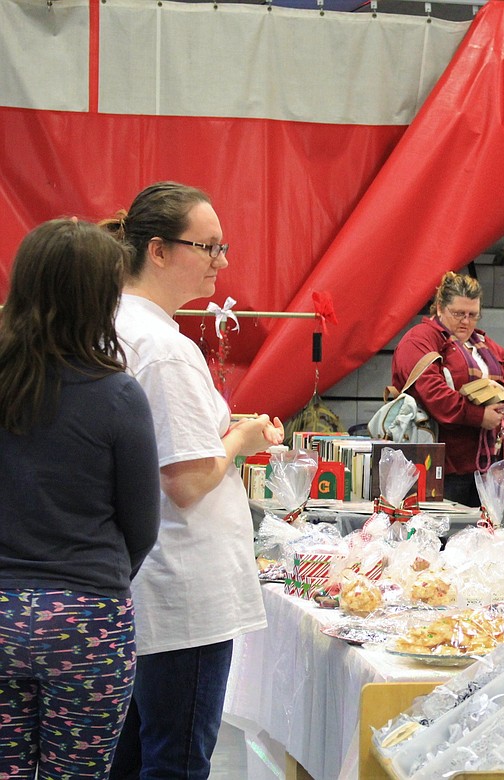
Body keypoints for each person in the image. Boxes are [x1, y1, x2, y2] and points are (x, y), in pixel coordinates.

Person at [104, 182, 285, 779]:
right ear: (156, 250)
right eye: (207, 247)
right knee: (176, 760)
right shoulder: (163, 346)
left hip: (149, 577)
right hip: (183, 583)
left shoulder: (120, 325)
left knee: (135, 755)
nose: (222, 262)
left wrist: (223, 429)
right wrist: (242, 440)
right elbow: (185, 479)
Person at [0, 219, 161, 779]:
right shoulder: (117, 394)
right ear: (100, 298)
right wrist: (98, 580)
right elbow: (142, 527)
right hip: (86, 616)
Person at [391, 271, 504, 508]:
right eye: (458, 314)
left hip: (485, 466)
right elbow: (435, 395)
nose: (466, 321)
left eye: (473, 315)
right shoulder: (420, 340)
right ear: (439, 308)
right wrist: (480, 415)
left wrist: (494, 391)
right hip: (441, 467)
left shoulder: (480, 343)